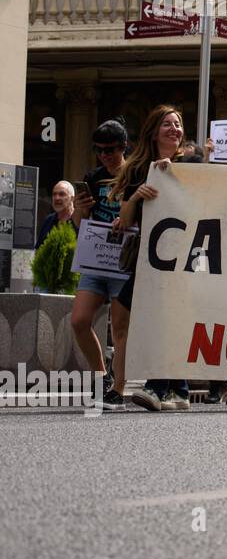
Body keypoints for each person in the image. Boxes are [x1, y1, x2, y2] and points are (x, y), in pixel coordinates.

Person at [114, 106, 195, 412]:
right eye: (167, 124)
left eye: (178, 124)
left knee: (165, 315)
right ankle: (177, 389)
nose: (174, 129)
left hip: (187, 257)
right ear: (153, 131)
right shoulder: (138, 169)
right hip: (150, 257)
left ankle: (159, 387)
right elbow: (125, 220)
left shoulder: (193, 165)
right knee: (139, 312)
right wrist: (136, 196)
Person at [69, 120, 132, 411]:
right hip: (96, 257)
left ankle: (118, 389)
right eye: (99, 150)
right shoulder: (93, 178)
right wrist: (79, 210)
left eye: (111, 150)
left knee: (120, 328)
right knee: (79, 320)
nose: (105, 155)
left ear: (123, 147)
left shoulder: (136, 175)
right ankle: (101, 377)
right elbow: (81, 225)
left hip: (124, 259)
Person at [36, 181, 75, 250]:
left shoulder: (78, 221)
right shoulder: (49, 220)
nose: (57, 198)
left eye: (62, 194)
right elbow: (39, 248)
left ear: (72, 198)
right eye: (54, 194)